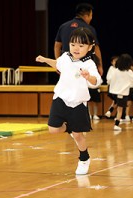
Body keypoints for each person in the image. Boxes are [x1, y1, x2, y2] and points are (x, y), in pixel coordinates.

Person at [36, 27, 102, 175]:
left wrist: (88, 77)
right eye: (73, 44)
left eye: (81, 45)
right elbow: (59, 65)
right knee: (53, 129)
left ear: (90, 47)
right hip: (60, 99)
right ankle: (68, 128)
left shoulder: (89, 64)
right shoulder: (65, 57)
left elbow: (96, 81)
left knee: (79, 136)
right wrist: (45, 60)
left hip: (78, 103)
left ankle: (84, 159)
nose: (76, 48)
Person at [54, 2, 103, 75]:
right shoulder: (89, 28)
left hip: (66, 66)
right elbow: (96, 49)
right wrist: (100, 66)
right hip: (83, 66)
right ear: (86, 15)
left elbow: (57, 46)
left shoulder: (63, 26)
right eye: (91, 16)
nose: (91, 18)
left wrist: (58, 64)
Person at [108, 53, 133, 131]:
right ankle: (116, 125)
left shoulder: (115, 71)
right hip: (122, 93)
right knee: (120, 109)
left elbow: (109, 79)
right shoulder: (128, 72)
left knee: (115, 102)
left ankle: (109, 111)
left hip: (113, 92)